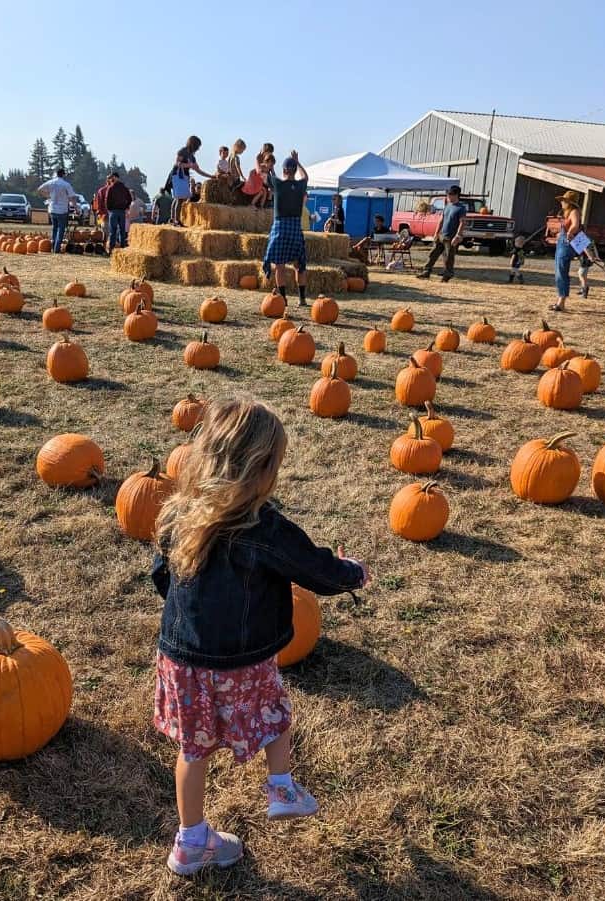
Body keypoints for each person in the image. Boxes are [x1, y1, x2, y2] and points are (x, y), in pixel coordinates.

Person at [152, 398, 368, 876]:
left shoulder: (175, 514)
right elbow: (314, 569)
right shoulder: (263, 526)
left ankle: (190, 843)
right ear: (262, 468)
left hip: (183, 658)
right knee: (274, 714)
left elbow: (162, 577)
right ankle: (282, 789)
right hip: (241, 659)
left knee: (193, 748)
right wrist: (352, 573)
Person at [263, 151, 309, 306]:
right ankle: (302, 299)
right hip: (295, 228)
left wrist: (263, 162)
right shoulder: (301, 185)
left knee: (279, 266)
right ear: (295, 170)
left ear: (283, 171)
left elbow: (262, 173)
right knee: (299, 265)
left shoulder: (278, 184)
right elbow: (305, 177)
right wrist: (298, 161)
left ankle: (283, 298)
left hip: (280, 228)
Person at [416, 185, 467, 282]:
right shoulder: (447, 206)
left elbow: (462, 222)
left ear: (456, 195)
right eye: (448, 194)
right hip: (441, 235)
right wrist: (436, 233)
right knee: (433, 254)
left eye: (450, 194)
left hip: (451, 237)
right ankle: (426, 272)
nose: (448, 196)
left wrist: (458, 235)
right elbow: (441, 220)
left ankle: (447, 275)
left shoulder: (461, 208)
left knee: (448, 257)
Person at [549, 191, 582, 311]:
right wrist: (560, 234)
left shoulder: (574, 212)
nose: (561, 202)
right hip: (562, 242)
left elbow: (575, 225)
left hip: (567, 244)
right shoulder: (566, 213)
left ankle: (561, 303)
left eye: (563, 200)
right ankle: (559, 301)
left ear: (569, 202)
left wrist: (569, 232)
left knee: (561, 272)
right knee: (559, 271)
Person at [169, 136, 213, 227]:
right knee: (180, 198)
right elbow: (177, 163)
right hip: (178, 175)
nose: (198, 148)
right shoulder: (183, 151)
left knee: (180, 198)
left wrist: (211, 176)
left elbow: (198, 170)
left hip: (184, 176)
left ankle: (173, 219)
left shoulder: (192, 157)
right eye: (198, 146)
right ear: (194, 144)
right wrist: (189, 165)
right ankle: (176, 220)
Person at [38, 168, 77, 254]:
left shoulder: (51, 182)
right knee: (61, 229)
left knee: (54, 228)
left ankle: (53, 246)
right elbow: (72, 197)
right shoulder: (66, 184)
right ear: (63, 175)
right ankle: (56, 248)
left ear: (56, 174)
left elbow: (39, 189)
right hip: (62, 209)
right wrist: (76, 208)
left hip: (52, 209)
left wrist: (48, 196)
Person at [105, 172, 132, 252]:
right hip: (122, 211)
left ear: (115, 177)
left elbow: (107, 200)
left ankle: (111, 249)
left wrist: (109, 209)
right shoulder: (124, 188)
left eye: (112, 177)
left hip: (113, 211)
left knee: (113, 231)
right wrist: (126, 207)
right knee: (122, 230)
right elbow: (130, 199)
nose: (111, 179)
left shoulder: (111, 188)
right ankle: (122, 247)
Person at [95, 176, 112, 241]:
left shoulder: (101, 190)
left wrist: (99, 213)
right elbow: (98, 203)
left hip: (105, 214)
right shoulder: (102, 190)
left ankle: (106, 245)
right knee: (106, 231)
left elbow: (98, 204)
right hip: (106, 214)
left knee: (105, 231)